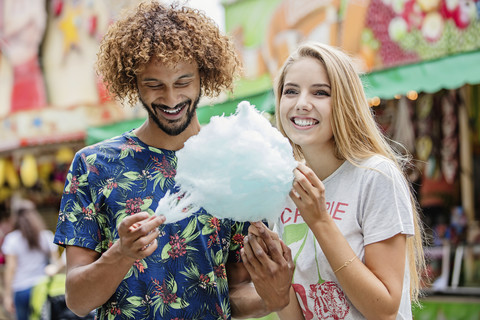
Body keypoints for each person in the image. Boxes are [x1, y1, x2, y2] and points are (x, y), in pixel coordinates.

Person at [53, 1, 293, 319]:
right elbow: (78, 300)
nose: (170, 98)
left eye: (182, 82)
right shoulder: (94, 166)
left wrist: (272, 297)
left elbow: (234, 291)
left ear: (204, 76)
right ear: (132, 82)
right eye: (154, 85)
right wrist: (121, 254)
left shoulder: (233, 161)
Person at [241, 42, 427, 319]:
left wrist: (319, 220)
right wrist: (276, 283)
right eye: (290, 91)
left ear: (344, 102)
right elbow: (297, 314)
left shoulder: (375, 176)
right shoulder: (282, 188)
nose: (301, 103)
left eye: (320, 92)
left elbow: (384, 307)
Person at [2, 198, 59, 320]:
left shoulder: (12, 239)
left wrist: (7, 296)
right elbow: (56, 264)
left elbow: (11, 269)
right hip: (42, 287)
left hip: (20, 289)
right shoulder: (46, 236)